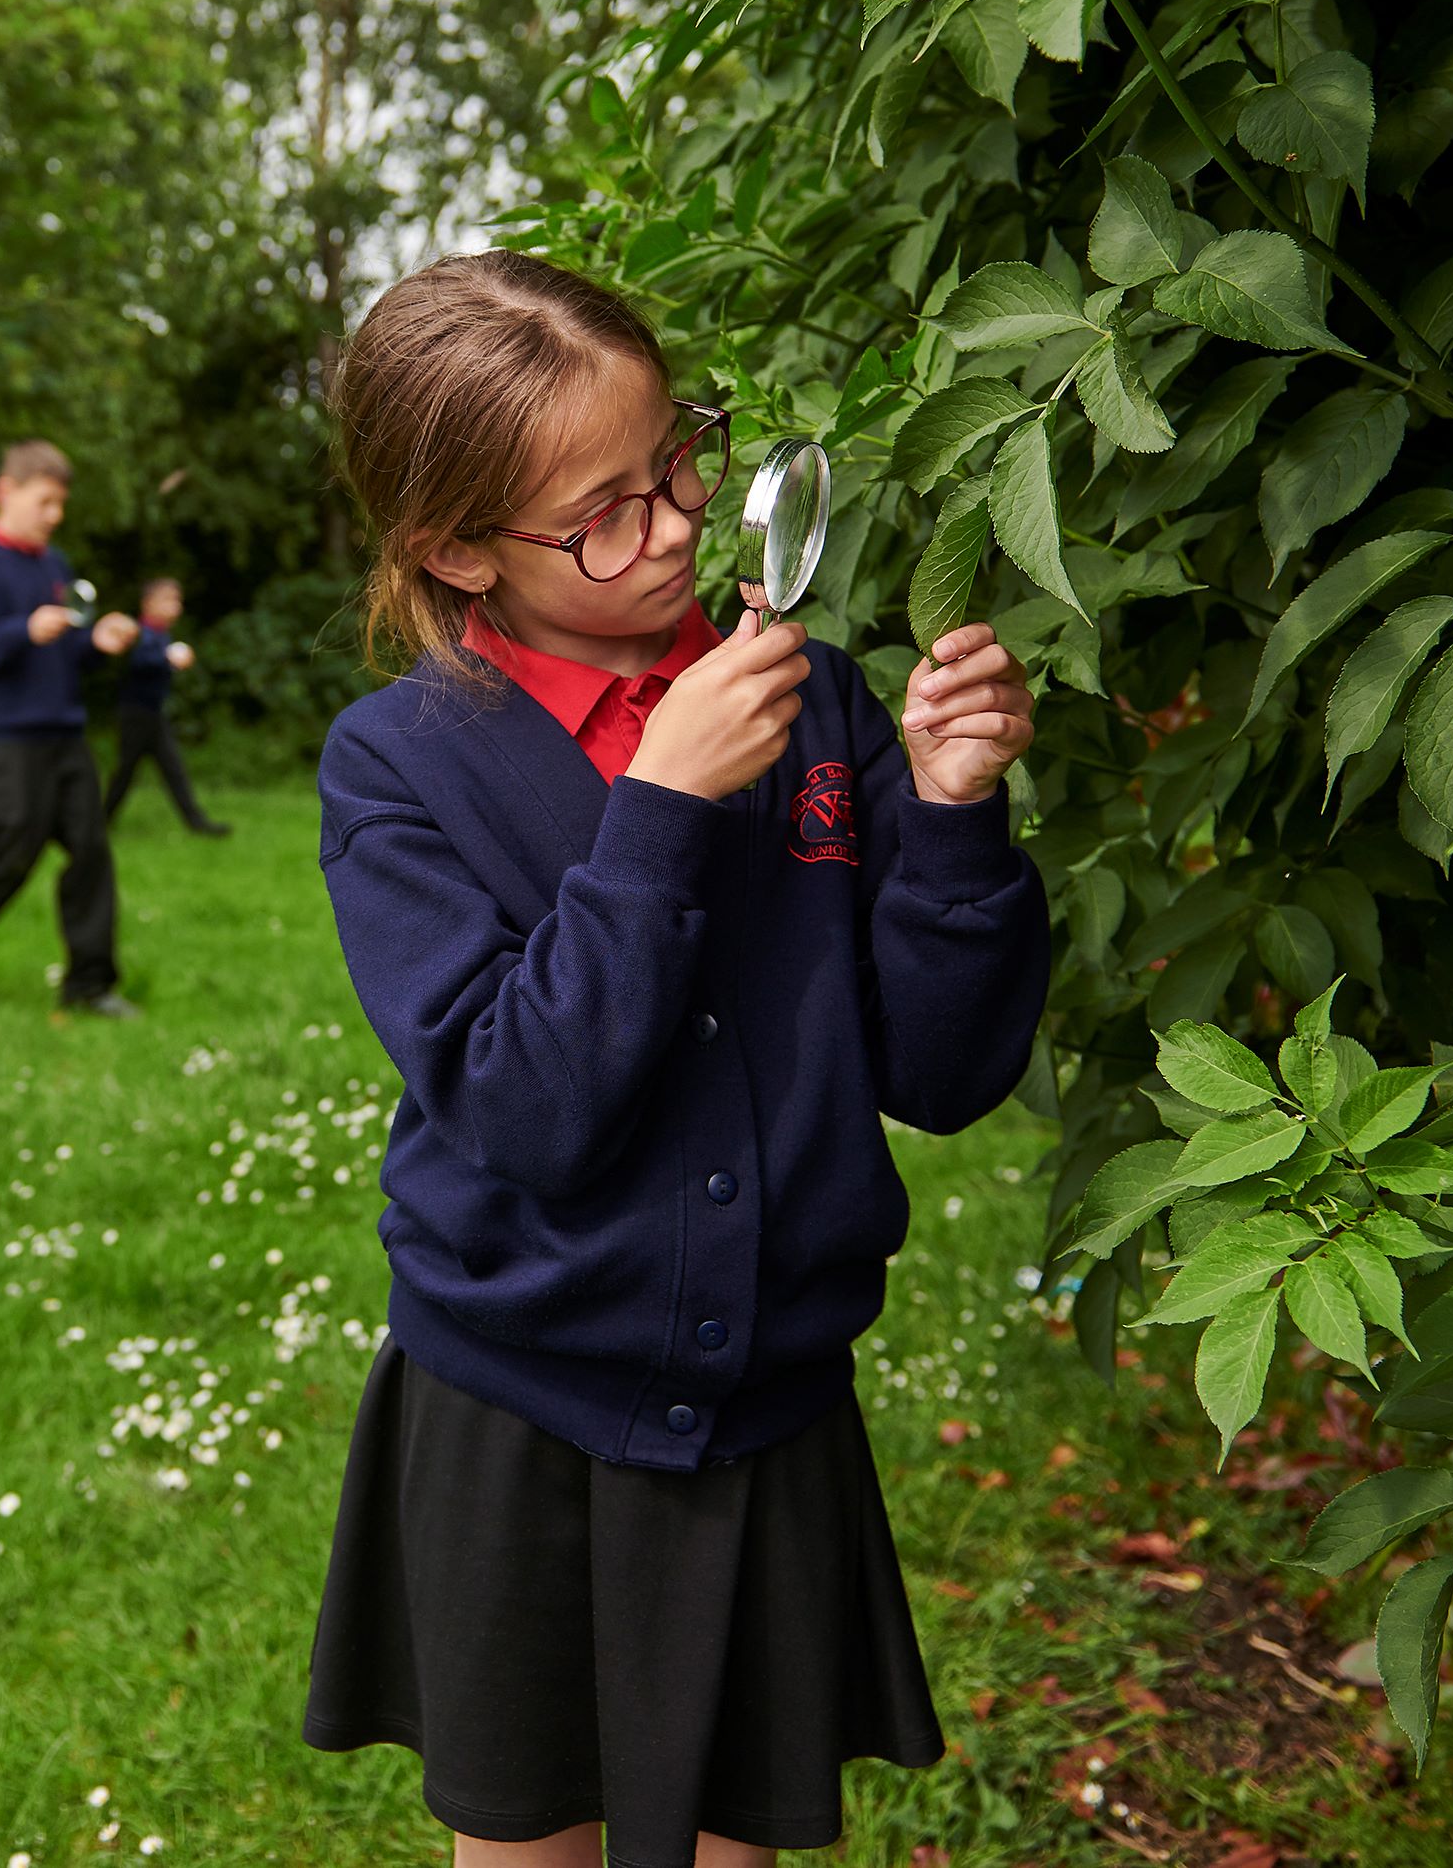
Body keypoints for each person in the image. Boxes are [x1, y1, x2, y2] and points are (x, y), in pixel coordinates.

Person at [299, 251, 1050, 1868]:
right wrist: (659, 805)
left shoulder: (819, 708)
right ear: (453, 551)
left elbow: (938, 1067)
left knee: (733, 1838)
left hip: (767, 1401)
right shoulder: (398, 770)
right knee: (529, 1839)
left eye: (683, 461)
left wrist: (954, 813)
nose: (681, 524)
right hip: (516, 1395)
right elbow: (520, 1101)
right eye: (606, 513)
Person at [0, 439, 144, 1016]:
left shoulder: (54, 566)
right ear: (5, 492)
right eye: (44, 502)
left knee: (90, 850)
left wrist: (98, 643)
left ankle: (91, 986)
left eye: (60, 504)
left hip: (64, 731)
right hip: (6, 733)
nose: (55, 516)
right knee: (15, 848)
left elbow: (64, 653)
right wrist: (22, 631)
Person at [104, 576, 230, 837]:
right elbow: (138, 662)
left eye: (178, 601)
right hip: (135, 715)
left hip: (152, 715)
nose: (177, 607)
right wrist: (167, 658)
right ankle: (99, 821)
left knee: (172, 770)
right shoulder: (138, 633)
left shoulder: (160, 635)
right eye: (169, 600)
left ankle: (196, 822)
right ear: (149, 603)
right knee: (125, 772)